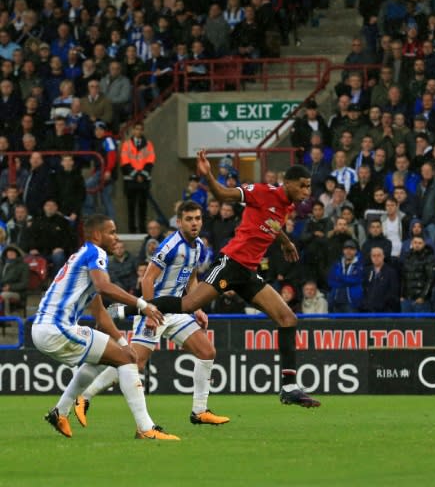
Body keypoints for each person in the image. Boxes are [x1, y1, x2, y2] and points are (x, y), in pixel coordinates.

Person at [123, 151, 320, 408]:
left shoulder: (286, 204)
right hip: (231, 263)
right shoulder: (262, 191)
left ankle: (289, 387)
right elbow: (224, 196)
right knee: (189, 305)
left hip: (249, 272)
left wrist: (285, 241)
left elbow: (272, 221)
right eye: (303, 186)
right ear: (290, 183)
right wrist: (209, 175)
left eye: (309, 187)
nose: (307, 192)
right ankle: (130, 307)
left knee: (287, 318)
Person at [74, 202, 230, 427]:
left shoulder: (198, 247)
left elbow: (192, 279)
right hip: (155, 309)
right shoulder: (170, 246)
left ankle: (199, 410)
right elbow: (147, 279)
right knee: (134, 363)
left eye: (197, 218)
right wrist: (149, 311)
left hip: (177, 311)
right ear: (179, 222)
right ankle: (84, 397)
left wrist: (197, 307)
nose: (194, 222)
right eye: (189, 219)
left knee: (207, 351)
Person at [31, 214, 177, 440]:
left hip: (44, 329)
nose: (116, 238)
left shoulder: (81, 259)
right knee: (126, 360)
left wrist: (122, 343)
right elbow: (104, 286)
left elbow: (100, 315)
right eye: (112, 232)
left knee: (110, 357)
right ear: (97, 235)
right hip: (56, 328)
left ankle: (60, 413)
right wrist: (143, 304)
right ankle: (146, 428)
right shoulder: (94, 253)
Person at [120, 122, 155, 233]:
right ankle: (132, 230)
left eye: (140, 129)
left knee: (143, 206)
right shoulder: (126, 144)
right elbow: (124, 162)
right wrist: (136, 175)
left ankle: (142, 229)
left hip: (144, 181)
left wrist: (142, 175)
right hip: (130, 181)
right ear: (133, 130)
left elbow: (151, 160)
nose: (138, 131)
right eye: (136, 129)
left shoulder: (148, 144)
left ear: (142, 130)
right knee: (131, 206)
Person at [400, 236, 435, 313]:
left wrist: (423, 297)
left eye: (420, 243)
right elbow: (403, 277)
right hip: (406, 299)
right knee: (406, 324)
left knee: (422, 324)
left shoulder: (429, 257)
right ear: (411, 244)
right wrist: (402, 295)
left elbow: (431, 279)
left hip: (421, 300)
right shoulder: (407, 257)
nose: (417, 245)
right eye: (415, 242)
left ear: (424, 244)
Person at [328, 239, 364, 313]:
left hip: (352, 303)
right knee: (335, 324)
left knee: (352, 324)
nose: (348, 251)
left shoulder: (360, 264)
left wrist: (340, 277)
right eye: (346, 248)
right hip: (336, 301)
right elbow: (331, 281)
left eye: (351, 249)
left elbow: (356, 280)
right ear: (343, 250)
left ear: (356, 251)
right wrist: (346, 281)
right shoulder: (337, 263)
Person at [360, 246, 400, 313]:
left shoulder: (391, 272)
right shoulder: (366, 271)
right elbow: (363, 289)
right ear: (371, 257)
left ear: (383, 256)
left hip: (385, 311)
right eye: (374, 256)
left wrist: (381, 304)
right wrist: (366, 304)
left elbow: (393, 291)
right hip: (368, 310)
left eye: (379, 255)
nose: (376, 258)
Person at [0, 244, 29, 316]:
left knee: (3, 295)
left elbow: (24, 283)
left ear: (17, 253)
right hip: (1, 289)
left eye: (13, 251)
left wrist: (10, 287)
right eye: (9, 251)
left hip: (17, 293)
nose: (10, 253)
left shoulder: (23, 266)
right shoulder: (2, 265)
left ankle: (6, 319)